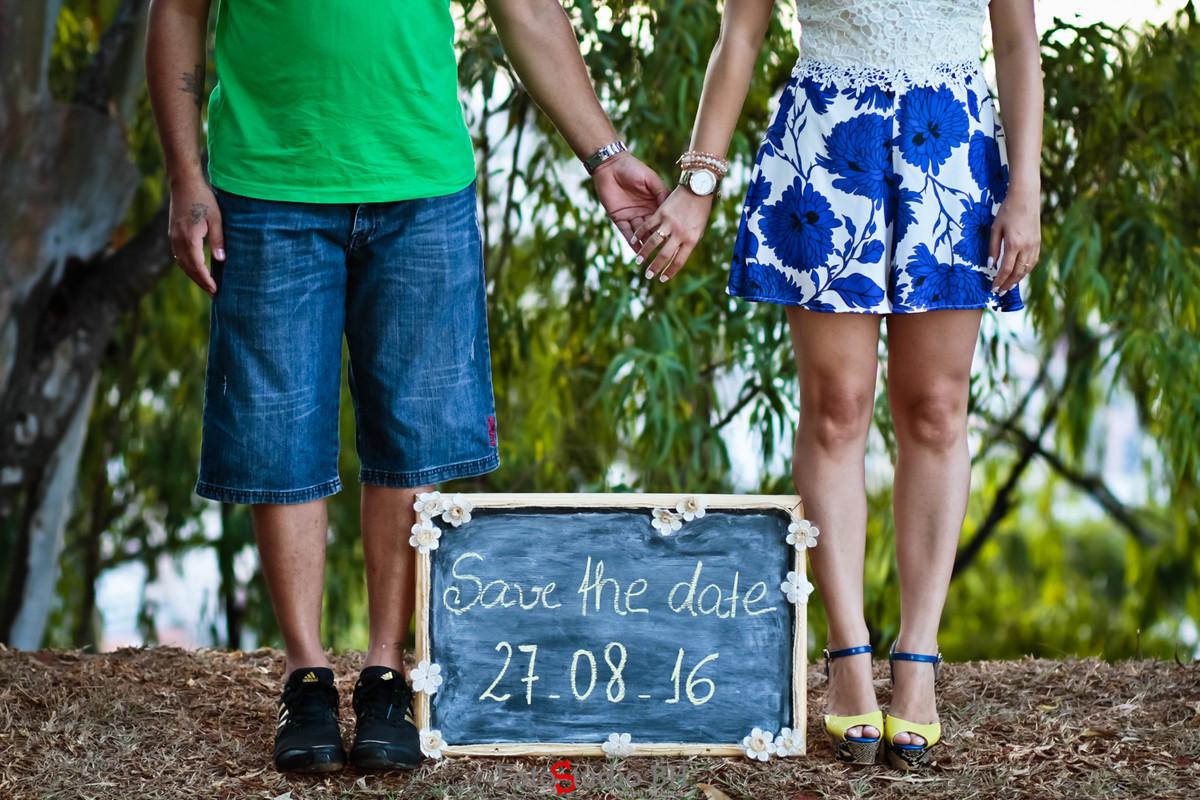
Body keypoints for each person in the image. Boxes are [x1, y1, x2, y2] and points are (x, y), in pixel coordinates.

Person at [145, 0, 668, 774]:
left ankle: (386, 676)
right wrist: (185, 174)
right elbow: (179, 11)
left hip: (420, 183)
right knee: (278, 435)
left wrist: (604, 155)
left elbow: (526, 9)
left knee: (412, 437)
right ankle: (306, 677)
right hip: (266, 183)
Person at [634, 0, 1042, 770]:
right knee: (835, 411)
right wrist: (698, 182)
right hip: (825, 138)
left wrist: (1026, 190)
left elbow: (1018, 42)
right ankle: (847, 652)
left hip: (953, 143)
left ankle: (918, 657)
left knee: (937, 410)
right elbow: (740, 33)